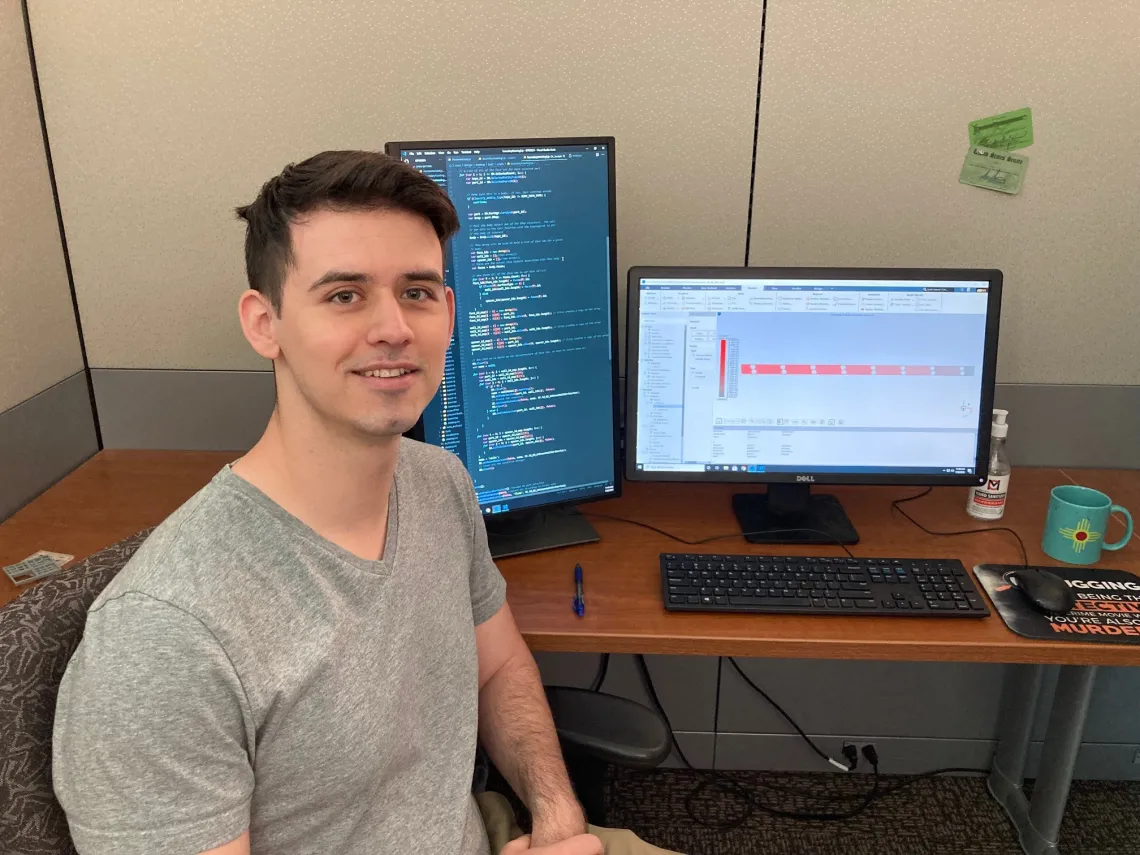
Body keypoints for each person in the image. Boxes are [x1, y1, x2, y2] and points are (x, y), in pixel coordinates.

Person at [52, 150, 681, 855]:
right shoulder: (167, 635)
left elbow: (500, 667)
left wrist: (558, 815)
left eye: (416, 291)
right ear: (265, 323)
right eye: (344, 294)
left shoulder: (439, 481)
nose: (394, 329)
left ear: (448, 311)